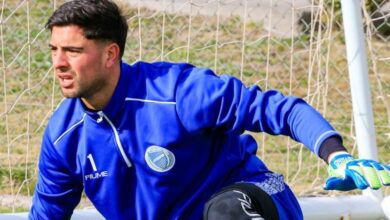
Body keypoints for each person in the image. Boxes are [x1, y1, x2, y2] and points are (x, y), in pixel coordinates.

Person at [28, 0, 390, 219]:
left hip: (251, 197)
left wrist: (337, 156)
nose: (58, 63)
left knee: (227, 212)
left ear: (110, 54)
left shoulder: (176, 92)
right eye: (54, 50)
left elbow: (282, 110)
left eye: (72, 51)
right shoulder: (63, 138)